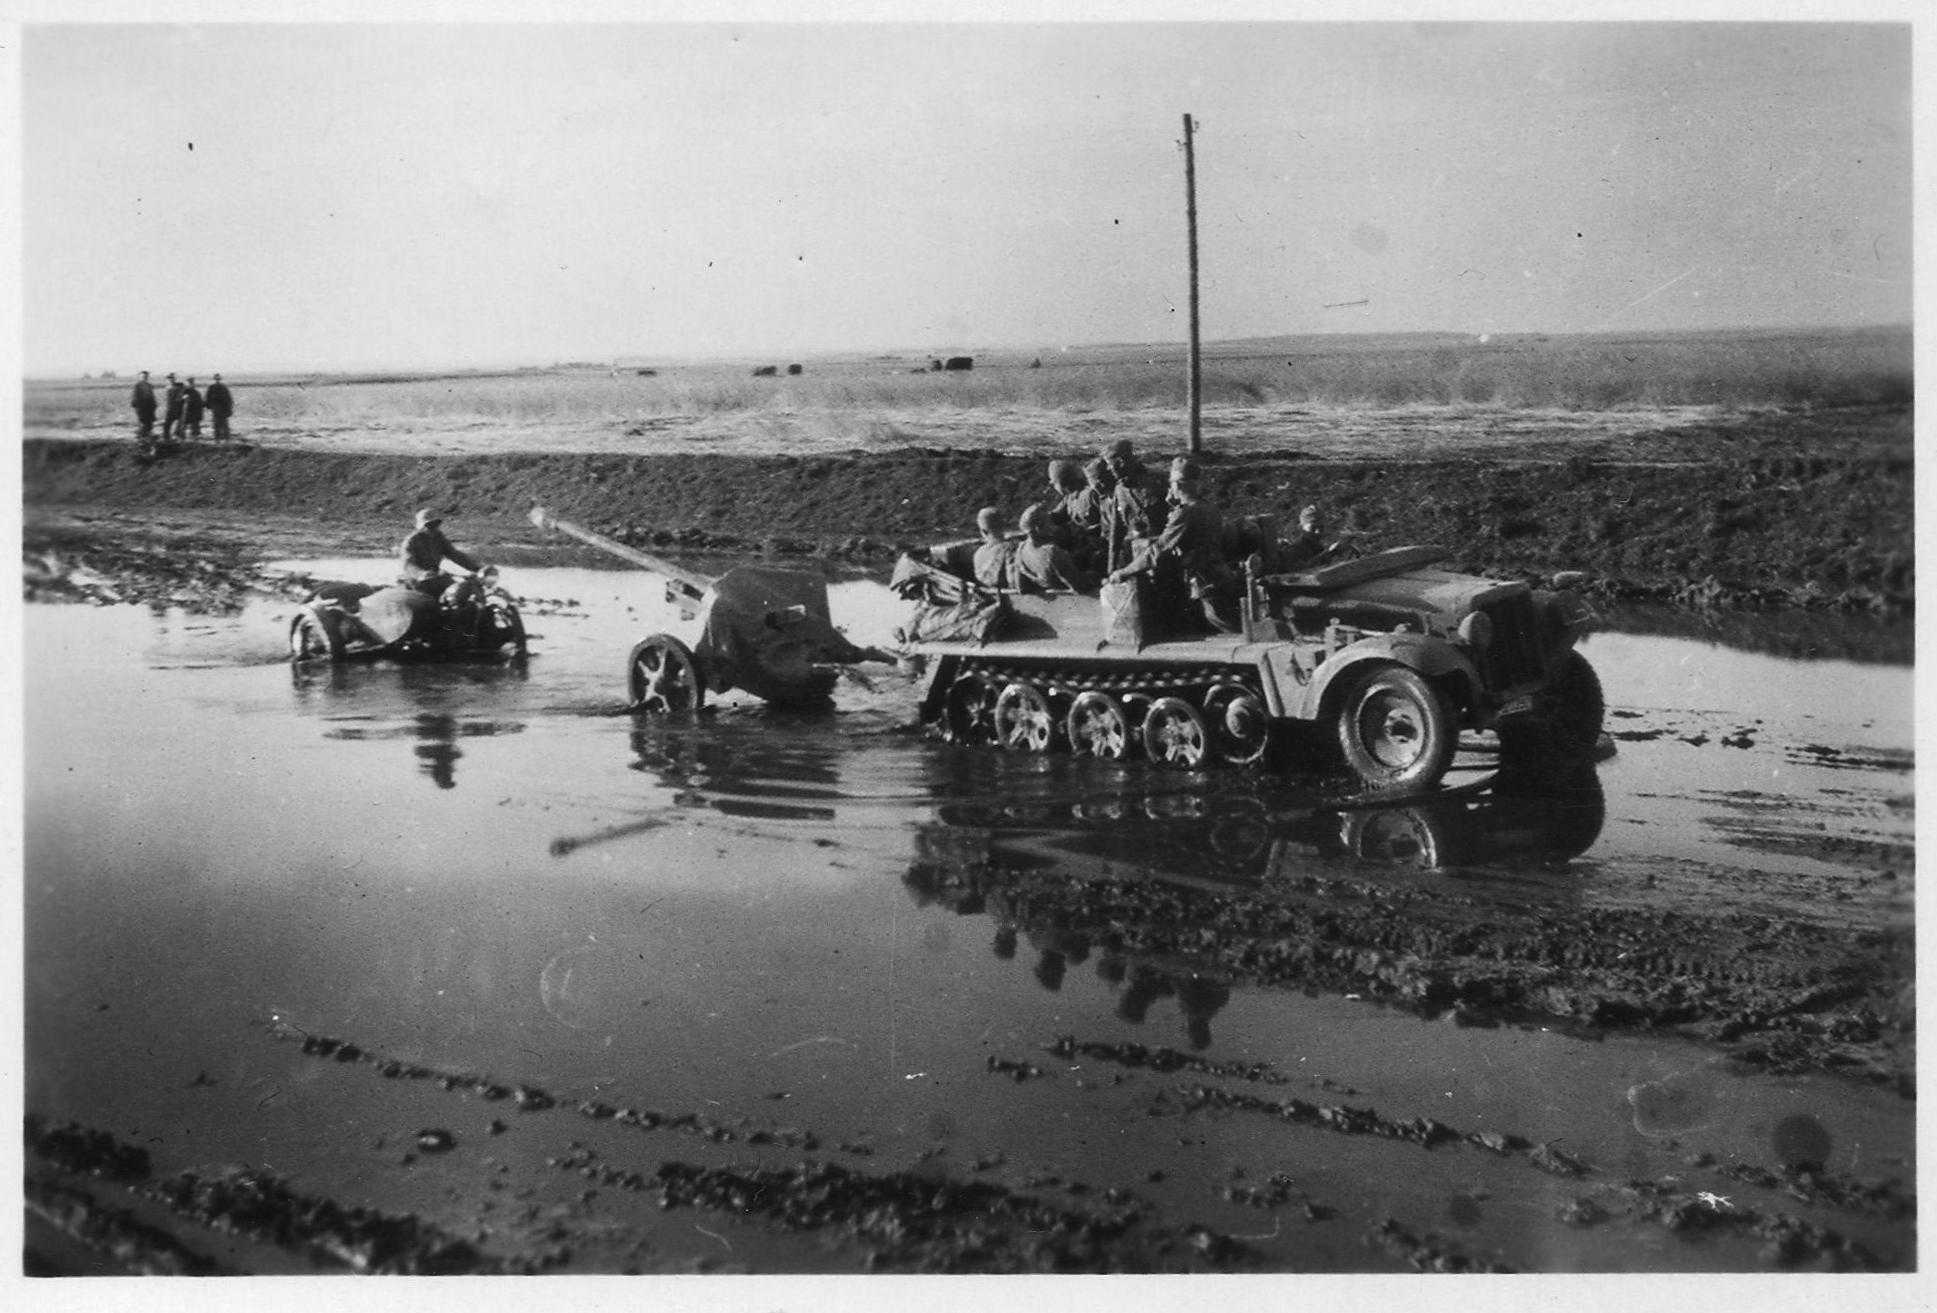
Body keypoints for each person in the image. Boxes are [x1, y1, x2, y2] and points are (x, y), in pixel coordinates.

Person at [1102, 438, 1168, 572]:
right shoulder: (1120, 490)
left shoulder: (1157, 481)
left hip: (1162, 551)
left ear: (1121, 462)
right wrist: (1111, 568)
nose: (1108, 469)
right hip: (1137, 555)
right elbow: (1116, 531)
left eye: (1110, 464)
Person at [399, 508, 484, 601]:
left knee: (459, 592)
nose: (433, 528)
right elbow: (408, 563)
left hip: (436, 577)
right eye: (429, 525)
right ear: (421, 525)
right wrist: (421, 573)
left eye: (435, 524)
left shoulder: (438, 537)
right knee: (427, 602)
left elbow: (454, 554)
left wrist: (476, 568)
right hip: (416, 581)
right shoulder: (411, 541)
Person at [1012, 503, 1095, 594]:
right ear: (1038, 528)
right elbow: (1081, 586)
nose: (1053, 526)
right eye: (1049, 522)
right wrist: (1094, 575)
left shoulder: (1021, 549)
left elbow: (1022, 588)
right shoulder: (1052, 552)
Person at [969, 506, 1018, 590]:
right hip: (1007, 595)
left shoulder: (978, 553)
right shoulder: (1010, 548)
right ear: (1003, 525)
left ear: (983, 531)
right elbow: (1013, 582)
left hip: (987, 593)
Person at [130, 371, 157, 445]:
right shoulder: (137, 386)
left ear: (147, 377)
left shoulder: (149, 386)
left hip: (149, 407)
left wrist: (154, 405)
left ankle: (149, 439)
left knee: (149, 423)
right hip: (141, 407)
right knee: (142, 423)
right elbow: (135, 398)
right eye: (143, 376)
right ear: (140, 377)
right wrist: (137, 408)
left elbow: (152, 396)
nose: (144, 378)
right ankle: (141, 440)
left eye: (145, 376)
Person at [205, 374, 234, 442]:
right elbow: (208, 398)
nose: (217, 380)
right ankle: (219, 439)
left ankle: (225, 439)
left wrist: (229, 408)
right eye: (216, 379)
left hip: (221, 409)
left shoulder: (222, 387)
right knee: (218, 424)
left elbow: (228, 399)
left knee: (223, 424)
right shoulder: (213, 387)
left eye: (218, 379)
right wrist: (209, 405)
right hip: (217, 409)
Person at [161, 374, 186, 444]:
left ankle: (179, 438)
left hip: (178, 408)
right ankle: (166, 439)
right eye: (169, 379)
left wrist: (182, 397)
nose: (170, 380)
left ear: (174, 379)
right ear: (167, 380)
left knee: (180, 424)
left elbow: (182, 393)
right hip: (170, 408)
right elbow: (169, 400)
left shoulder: (179, 386)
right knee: (167, 424)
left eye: (172, 378)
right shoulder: (167, 388)